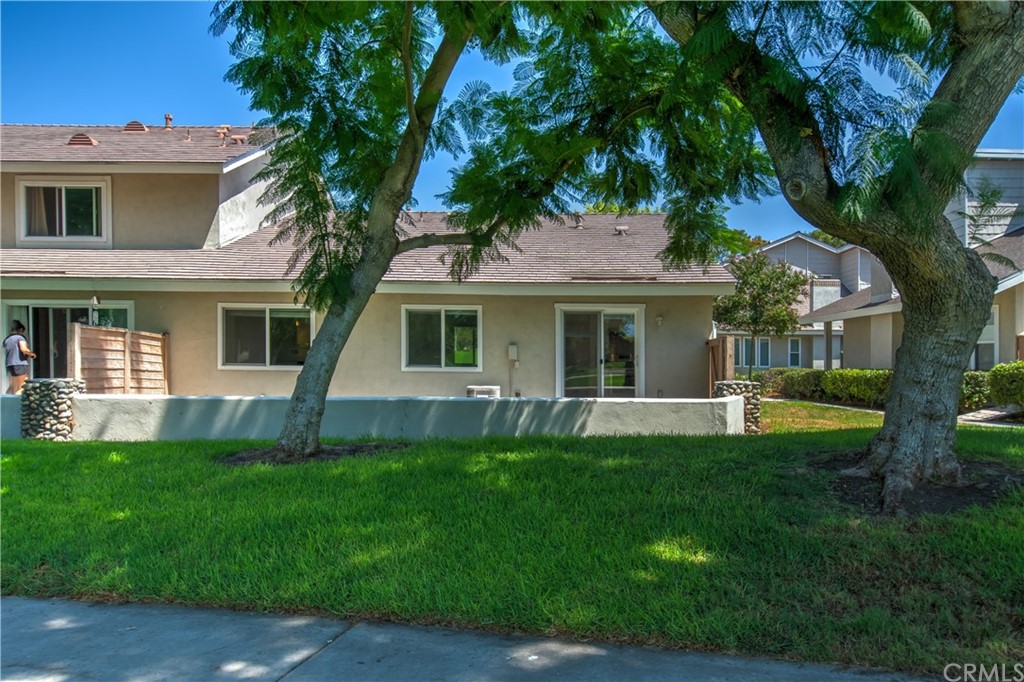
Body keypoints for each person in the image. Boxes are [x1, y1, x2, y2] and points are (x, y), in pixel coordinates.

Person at [4, 320, 37, 395]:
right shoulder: (20, 337)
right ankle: (17, 404)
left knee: (12, 387)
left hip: (9, 364)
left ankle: (6, 403)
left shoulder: (7, 339)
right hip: (20, 364)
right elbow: (23, 349)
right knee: (21, 386)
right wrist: (32, 354)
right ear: (20, 329)